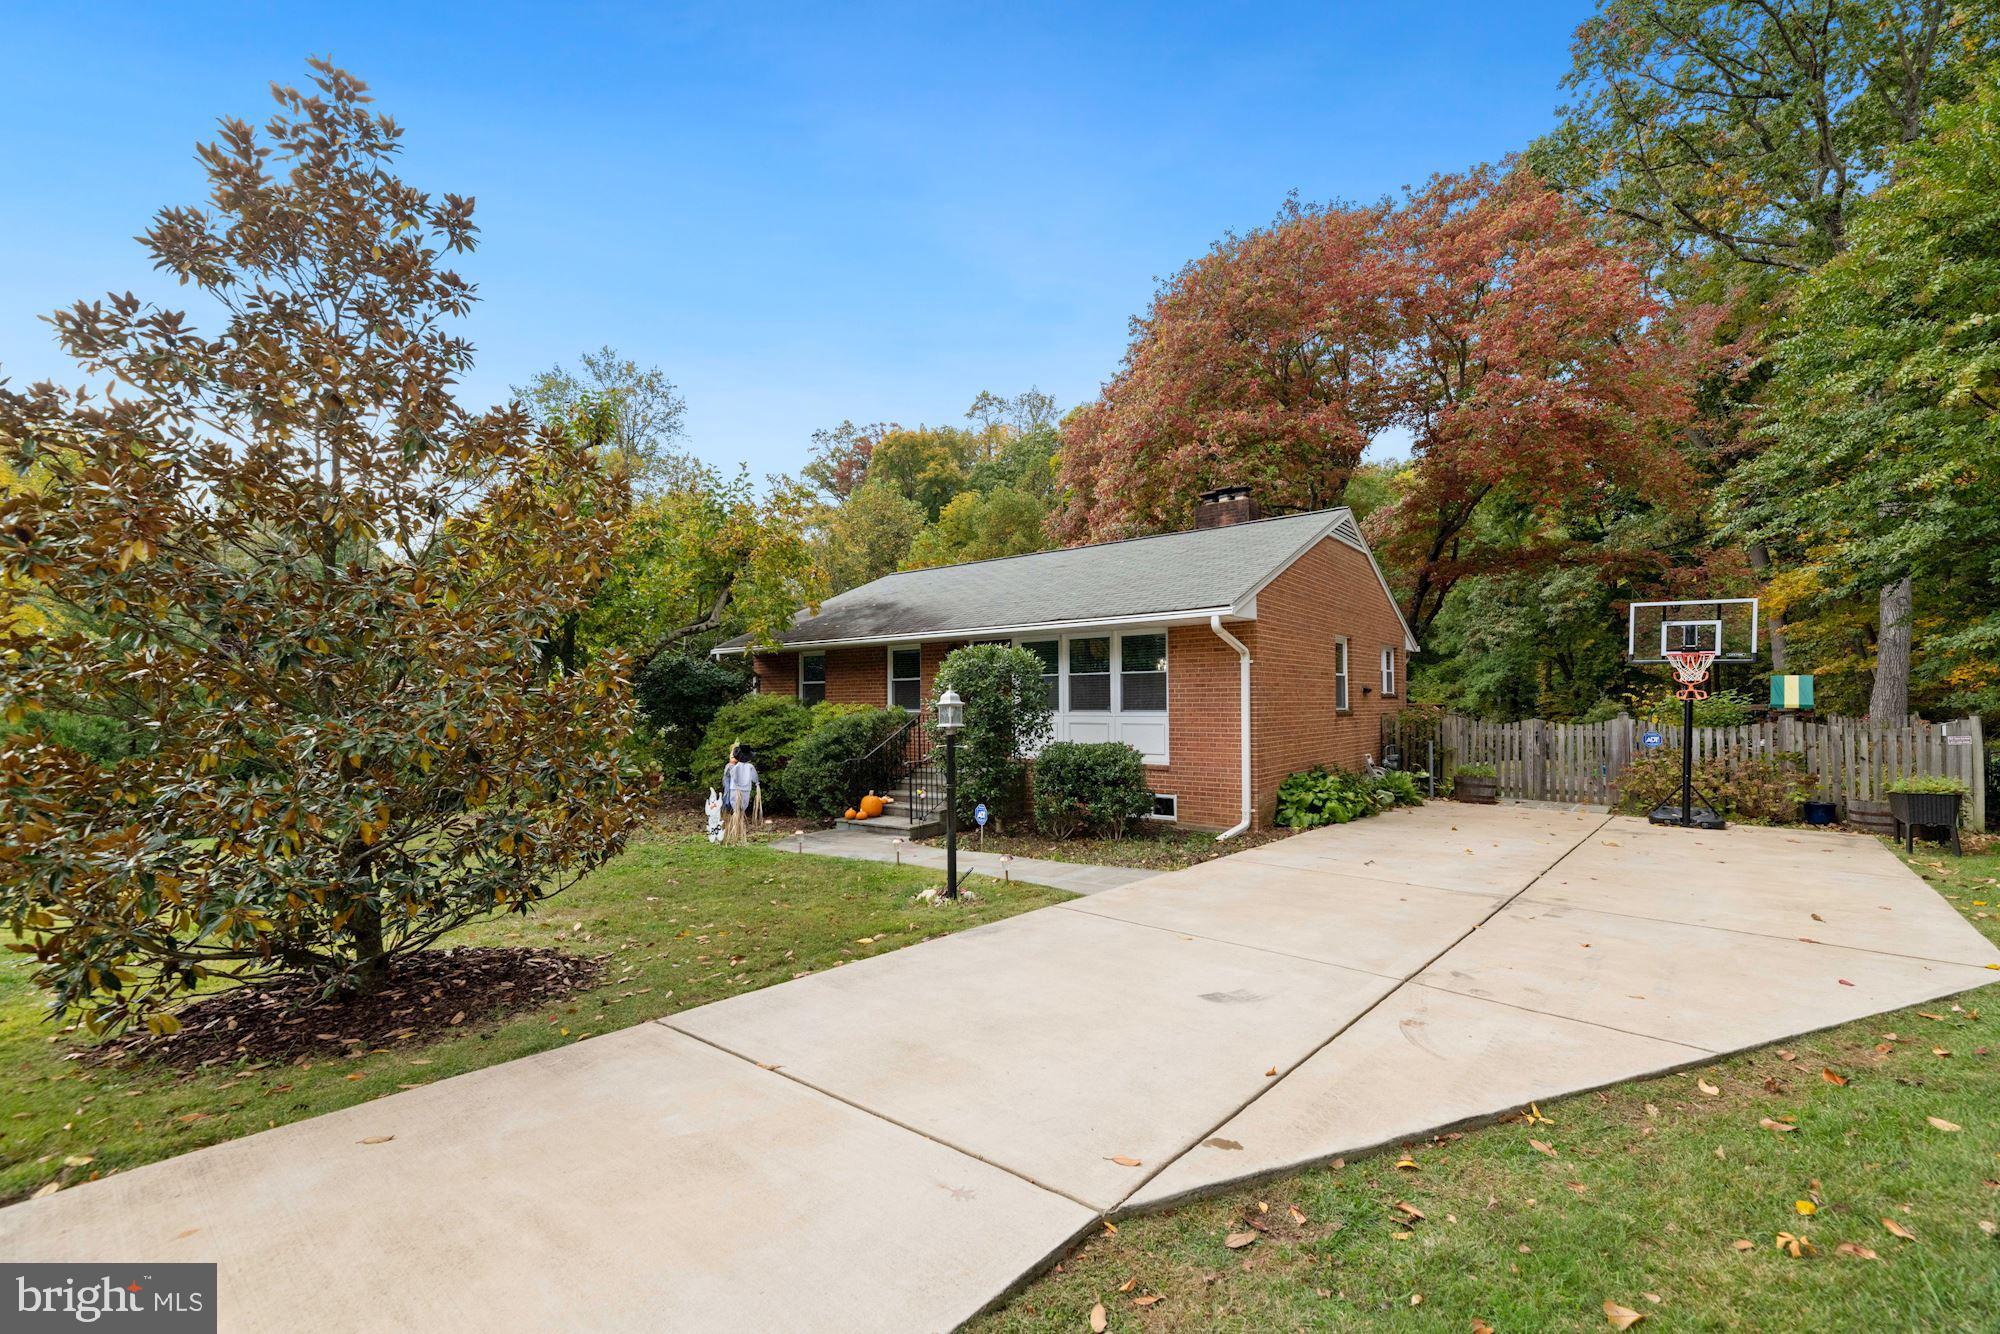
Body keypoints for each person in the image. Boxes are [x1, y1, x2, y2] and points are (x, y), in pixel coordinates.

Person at [721, 743, 760, 845]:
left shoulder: (737, 767)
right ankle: (736, 834)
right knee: (739, 811)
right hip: (742, 790)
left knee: (738, 811)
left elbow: (733, 776)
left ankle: (737, 834)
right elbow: (754, 778)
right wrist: (757, 784)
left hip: (737, 790)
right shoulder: (748, 767)